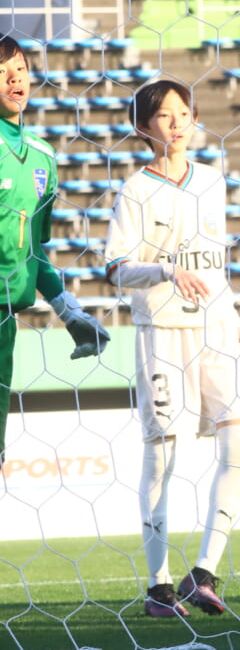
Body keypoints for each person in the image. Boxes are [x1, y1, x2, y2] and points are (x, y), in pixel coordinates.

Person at [104, 80, 240, 618]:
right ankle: (158, 586)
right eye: (164, 115)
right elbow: (116, 268)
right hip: (163, 333)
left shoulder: (212, 181)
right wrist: (166, 270)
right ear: (143, 127)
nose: (177, 122)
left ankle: (204, 572)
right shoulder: (135, 190)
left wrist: (235, 323)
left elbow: (216, 262)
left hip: (215, 330)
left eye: (184, 112)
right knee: (163, 458)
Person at [0, 35, 109, 469]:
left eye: (20, 69)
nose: (14, 79)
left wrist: (68, 310)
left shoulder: (43, 156)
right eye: (1, 71)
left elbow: (33, 251)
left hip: (5, 317)